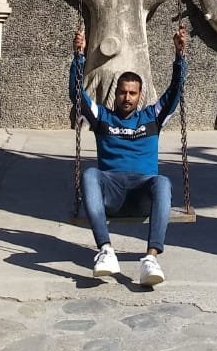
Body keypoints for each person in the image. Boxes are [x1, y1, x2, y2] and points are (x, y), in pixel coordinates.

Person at [70, 24, 187, 286]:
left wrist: (180, 57)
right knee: (90, 174)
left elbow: (174, 92)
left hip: (142, 192)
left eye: (132, 93)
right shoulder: (102, 117)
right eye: (122, 92)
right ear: (116, 93)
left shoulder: (152, 117)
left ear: (139, 96)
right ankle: (106, 250)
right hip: (111, 191)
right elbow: (77, 94)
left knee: (163, 182)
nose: (127, 97)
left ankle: (151, 258)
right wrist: (79, 56)